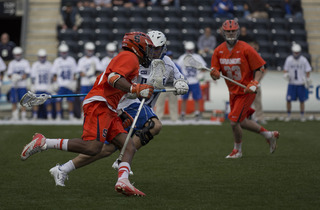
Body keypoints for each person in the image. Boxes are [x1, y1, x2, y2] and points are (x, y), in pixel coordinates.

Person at [20, 32, 156, 197]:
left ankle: (123, 181)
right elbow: (113, 78)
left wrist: (120, 111)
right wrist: (135, 88)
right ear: (138, 46)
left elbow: (112, 85)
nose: (149, 52)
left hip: (109, 107)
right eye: (147, 48)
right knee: (93, 147)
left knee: (128, 146)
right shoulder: (130, 57)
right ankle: (44, 142)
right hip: (100, 103)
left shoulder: (128, 59)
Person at [47, 30, 188, 186]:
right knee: (154, 125)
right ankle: (122, 162)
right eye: (151, 48)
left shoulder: (167, 62)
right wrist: (133, 90)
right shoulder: (137, 60)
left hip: (144, 106)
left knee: (105, 149)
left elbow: (179, 78)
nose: (154, 52)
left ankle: (63, 169)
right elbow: (117, 80)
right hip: (128, 104)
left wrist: (180, 84)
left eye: (157, 48)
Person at [209, 19, 279, 158]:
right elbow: (215, 73)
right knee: (242, 121)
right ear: (223, 32)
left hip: (246, 90)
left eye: (233, 31)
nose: (230, 34)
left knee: (234, 122)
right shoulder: (218, 51)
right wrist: (214, 74)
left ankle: (238, 150)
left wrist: (255, 82)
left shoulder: (246, 48)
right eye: (228, 31)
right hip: (233, 92)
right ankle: (269, 135)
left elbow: (260, 68)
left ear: (238, 31)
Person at [177, 41, 206, 121]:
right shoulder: (182, 57)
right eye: (188, 50)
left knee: (196, 98)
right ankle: (183, 114)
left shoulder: (197, 57)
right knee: (184, 99)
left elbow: (204, 67)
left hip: (195, 81)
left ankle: (197, 113)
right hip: (185, 82)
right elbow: (177, 68)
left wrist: (200, 74)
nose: (189, 51)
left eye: (190, 50)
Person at [283, 43, 312, 122]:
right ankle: (288, 115)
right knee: (288, 100)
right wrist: (286, 75)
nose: (296, 54)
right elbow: (285, 69)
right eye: (295, 52)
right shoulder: (289, 59)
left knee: (302, 100)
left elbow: (308, 69)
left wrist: (307, 78)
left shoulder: (303, 59)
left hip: (300, 83)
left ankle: (302, 115)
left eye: (297, 52)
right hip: (292, 83)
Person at [52, 44, 78, 120]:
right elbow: (54, 74)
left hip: (69, 84)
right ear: (60, 52)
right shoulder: (57, 61)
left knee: (70, 100)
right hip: (60, 84)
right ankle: (59, 115)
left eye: (65, 52)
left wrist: (74, 82)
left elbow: (74, 73)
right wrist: (55, 82)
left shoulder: (71, 60)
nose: (64, 54)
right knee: (58, 100)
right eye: (62, 52)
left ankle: (71, 115)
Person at [155, 50, 182, 122]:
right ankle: (158, 118)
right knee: (159, 104)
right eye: (168, 56)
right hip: (162, 87)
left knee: (173, 104)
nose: (169, 57)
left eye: (171, 56)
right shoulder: (160, 64)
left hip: (172, 87)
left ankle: (175, 119)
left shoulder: (175, 65)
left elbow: (179, 75)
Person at [7, 47, 30, 121]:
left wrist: (19, 77)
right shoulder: (11, 63)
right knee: (14, 101)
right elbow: (9, 74)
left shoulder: (25, 62)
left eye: (19, 54)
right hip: (14, 85)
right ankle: (14, 115)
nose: (18, 56)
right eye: (16, 54)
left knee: (23, 101)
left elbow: (27, 73)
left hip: (22, 85)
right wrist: (13, 77)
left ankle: (23, 115)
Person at [30, 49, 54, 120]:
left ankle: (49, 116)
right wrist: (33, 85)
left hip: (47, 87)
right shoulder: (35, 65)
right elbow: (33, 78)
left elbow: (52, 77)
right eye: (41, 57)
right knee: (35, 103)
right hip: (38, 87)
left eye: (43, 57)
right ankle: (34, 116)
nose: (42, 58)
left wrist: (52, 85)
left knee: (48, 103)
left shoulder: (49, 65)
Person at [249, 41, 266, 124]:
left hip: (256, 83)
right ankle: (246, 117)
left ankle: (260, 117)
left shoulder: (259, 57)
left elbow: (265, 68)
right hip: (247, 83)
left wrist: (259, 78)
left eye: (255, 47)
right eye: (252, 47)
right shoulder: (246, 56)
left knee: (258, 101)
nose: (254, 48)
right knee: (246, 102)